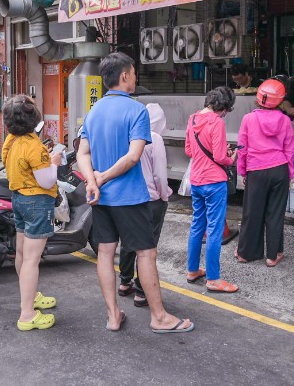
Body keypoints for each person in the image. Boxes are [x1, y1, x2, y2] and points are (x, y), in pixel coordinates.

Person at [79, 52, 193, 333]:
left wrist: (93, 182)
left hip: (101, 198)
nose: (135, 77)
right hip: (129, 197)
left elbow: (83, 152)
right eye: (133, 72)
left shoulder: (94, 111)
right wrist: (102, 178)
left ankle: (113, 315)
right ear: (124, 76)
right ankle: (159, 317)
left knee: (105, 253)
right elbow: (133, 156)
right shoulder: (137, 110)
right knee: (145, 254)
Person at [1, 95, 63, 331]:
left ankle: (31, 297)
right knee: (32, 260)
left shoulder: (11, 140)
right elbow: (47, 181)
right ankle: (27, 314)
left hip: (18, 199)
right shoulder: (34, 146)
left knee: (21, 254)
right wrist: (54, 161)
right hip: (37, 202)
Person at [184, 87, 240, 293]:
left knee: (197, 225)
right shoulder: (217, 122)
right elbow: (219, 157)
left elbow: (189, 150)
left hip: (197, 180)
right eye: (227, 109)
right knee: (215, 230)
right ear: (223, 107)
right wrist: (231, 157)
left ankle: (192, 270)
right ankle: (213, 279)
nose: (226, 113)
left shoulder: (192, 119)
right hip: (214, 182)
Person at [117, 103, 172, 308]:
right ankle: (141, 292)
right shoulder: (154, 138)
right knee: (147, 247)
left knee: (129, 240)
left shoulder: (128, 135)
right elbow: (160, 174)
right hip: (151, 199)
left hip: (129, 197)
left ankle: (124, 282)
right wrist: (164, 195)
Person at [236, 79, 294, 266]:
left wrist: (243, 172)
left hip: (256, 170)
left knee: (252, 212)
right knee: (275, 214)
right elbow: (289, 150)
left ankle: (246, 253)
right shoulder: (286, 121)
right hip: (280, 169)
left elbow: (242, 148)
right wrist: (290, 174)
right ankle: (272, 255)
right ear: (280, 100)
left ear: (259, 97)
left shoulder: (248, 119)